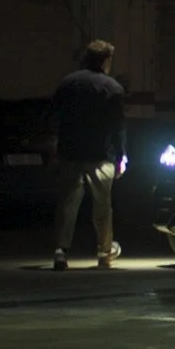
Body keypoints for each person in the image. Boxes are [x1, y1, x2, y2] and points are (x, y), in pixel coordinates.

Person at [50, 40, 127, 270]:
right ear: (105, 60)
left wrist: (57, 147)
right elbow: (118, 126)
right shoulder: (112, 88)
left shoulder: (68, 83)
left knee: (67, 204)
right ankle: (104, 252)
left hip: (71, 152)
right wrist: (122, 156)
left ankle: (61, 251)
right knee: (102, 205)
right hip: (100, 154)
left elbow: (55, 117)